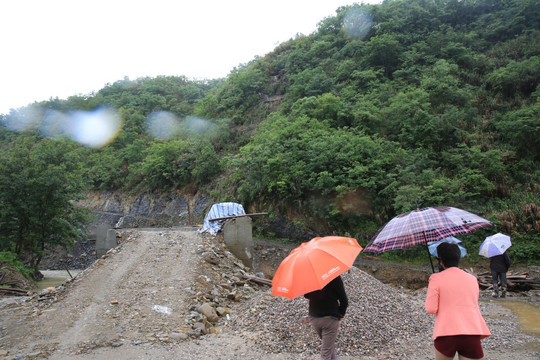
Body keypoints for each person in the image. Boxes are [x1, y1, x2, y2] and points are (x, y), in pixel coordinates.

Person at [425, 242, 491, 360]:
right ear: (458, 258)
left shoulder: (436, 278)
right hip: (472, 332)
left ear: (441, 260)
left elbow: (431, 309)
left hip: (445, 333)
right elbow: (472, 302)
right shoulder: (472, 279)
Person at [304, 275, 348, 360]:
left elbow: (306, 295)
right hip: (330, 318)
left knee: (328, 344)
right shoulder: (335, 277)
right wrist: (340, 314)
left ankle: (334, 358)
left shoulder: (311, 277)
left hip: (314, 318)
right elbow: (344, 301)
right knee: (326, 352)